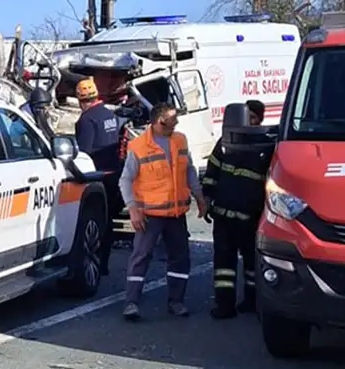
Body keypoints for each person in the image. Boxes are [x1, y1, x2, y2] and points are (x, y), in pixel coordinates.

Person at [119, 103, 208, 321]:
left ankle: (176, 301)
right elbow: (125, 180)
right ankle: (132, 303)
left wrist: (199, 196)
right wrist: (133, 209)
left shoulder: (180, 140)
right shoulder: (138, 146)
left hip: (176, 214)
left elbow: (189, 169)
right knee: (141, 257)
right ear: (160, 121)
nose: (176, 122)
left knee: (180, 258)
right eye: (172, 118)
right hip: (149, 214)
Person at [202, 100, 272, 320]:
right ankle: (224, 306)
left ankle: (252, 301)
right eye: (245, 117)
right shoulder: (226, 142)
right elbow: (212, 172)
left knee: (252, 263)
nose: (246, 122)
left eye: (252, 118)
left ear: (259, 120)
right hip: (223, 215)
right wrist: (207, 199)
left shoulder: (267, 145)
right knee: (224, 266)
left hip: (251, 218)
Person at [72, 77, 127, 276]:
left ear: (80, 100)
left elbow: (84, 152)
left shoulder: (86, 120)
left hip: (97, 177)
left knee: (95, 222)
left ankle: (95, 264)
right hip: (114, 174)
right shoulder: (108, 115)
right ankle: (103, 264)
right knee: (109, 221)